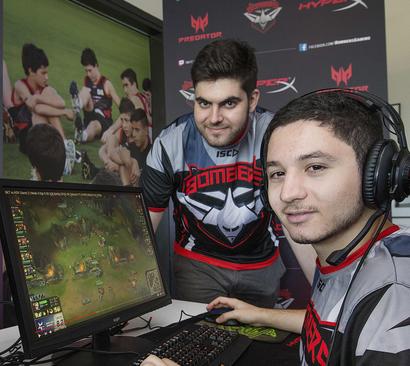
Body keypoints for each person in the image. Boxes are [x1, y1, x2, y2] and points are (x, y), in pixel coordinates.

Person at [143, 90, 410, 366]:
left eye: (315, 167)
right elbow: (337, 323)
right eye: (278, 174)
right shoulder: (345, 257)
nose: (288, 193)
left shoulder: (395, 292)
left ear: (376, 174)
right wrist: (260, 314)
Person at [140, 39, 287, 307]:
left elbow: (299, 210)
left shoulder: (277, 135)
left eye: (228, 104)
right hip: (198, 267)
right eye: (204, 103)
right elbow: (143, 228)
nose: (214, 117)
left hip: (261, 265)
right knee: (197, 345)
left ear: (252, 99)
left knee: (262, 346)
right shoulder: (170, 143)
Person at [8, 43, 77, 175]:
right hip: (26, 136)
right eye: (43, 73)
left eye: (47, 72)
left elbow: (61, 102)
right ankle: (63, 150)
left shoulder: (45, 88)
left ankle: (63, 149)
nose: (47, 77)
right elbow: (36, 108)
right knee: (40, 112)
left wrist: (40, 98)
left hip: (41, 133)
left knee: (49, 93)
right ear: (31, 71)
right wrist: (63, 112)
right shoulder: (20, 85)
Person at [70, 48, 121, 143]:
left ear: (97, 66)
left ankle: (82, 136)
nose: (88, 74)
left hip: (103, 121)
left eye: (90, 70)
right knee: (85, 90)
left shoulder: (106, 84)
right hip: (90, 115)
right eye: (86, 71)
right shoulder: (87, 80)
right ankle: (77, 104)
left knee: (93, 125)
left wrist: (116, 129)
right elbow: (87, 99)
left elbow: (122, 107)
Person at [110, 108, 151, 186]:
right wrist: (132, 161)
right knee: (121, 166)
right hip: (131, 192)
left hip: (145, 194)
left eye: (137, 130)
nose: (134, 134)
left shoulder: (153, 154)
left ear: (146, 130)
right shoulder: (132, 147)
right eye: (133, 129)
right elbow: (113, 153)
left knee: (122, 167)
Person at [98, 97, 135, 173]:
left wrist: (116, 167)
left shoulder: (137, 137)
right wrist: (108, 161)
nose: (124, 125)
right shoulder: (122, 132)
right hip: (117, 170)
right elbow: (101, 150)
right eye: (122, 120)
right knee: (111, 138)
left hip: (128, 177)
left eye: (127, 120)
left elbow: (134, 169)